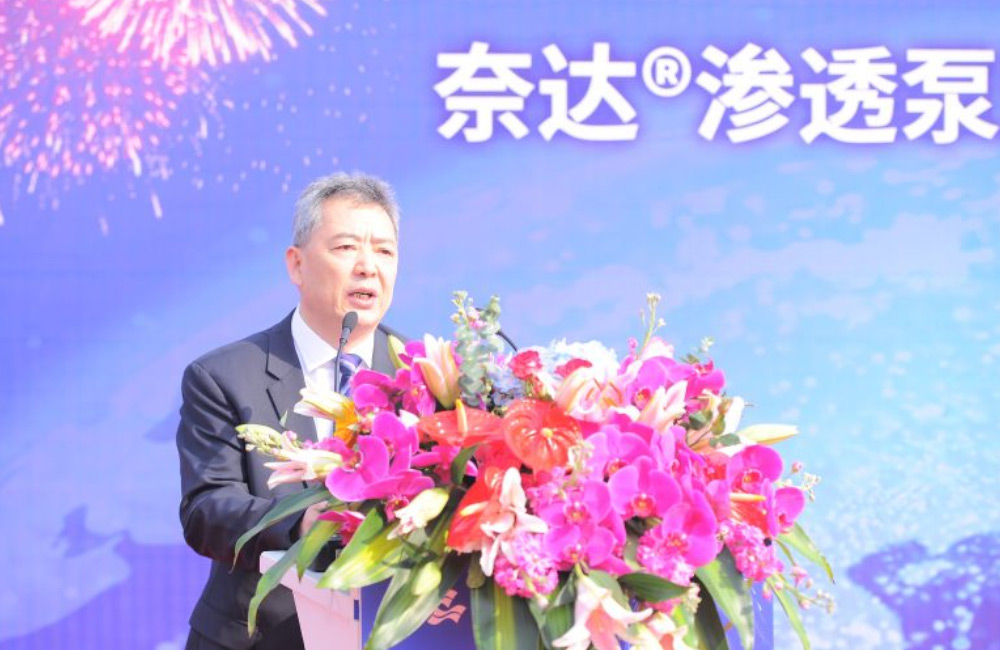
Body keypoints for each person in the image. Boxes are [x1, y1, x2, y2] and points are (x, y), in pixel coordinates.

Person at [176, 172, 402, 650]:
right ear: (296, 265)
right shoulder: (223, 376)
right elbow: (206, 510)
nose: (368, 267)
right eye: (346, 248)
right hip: (258, 636)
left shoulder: (422, 375)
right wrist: (300, 522)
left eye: (384, 251)